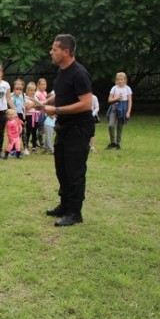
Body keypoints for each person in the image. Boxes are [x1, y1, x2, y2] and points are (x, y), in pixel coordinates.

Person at [42, 34, 95, 227]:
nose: (51, 52)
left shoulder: (79, 73)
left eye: (55, 49)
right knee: (62, 169)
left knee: (75, 171)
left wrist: (55, 110)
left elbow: (86, 103)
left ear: (66, 52)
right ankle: (64, 206)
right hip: (64, 127)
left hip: (78, 129)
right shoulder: (62, 72)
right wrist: (46, 102)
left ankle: (75, 213)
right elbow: (63, 95)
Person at [105, 72, 133, 150]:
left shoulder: (127, 89)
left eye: (121, 79)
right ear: (116, 80)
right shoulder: (114, 88)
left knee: (119, 127)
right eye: (118, 80)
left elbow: (130, 101)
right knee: (111, 125)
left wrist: (128, 111)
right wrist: (116, 99)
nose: (120, 81)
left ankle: (118, 143)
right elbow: (109, 100)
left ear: (125, 80)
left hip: (123, 108)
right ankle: (112, 142)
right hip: (114, 107)